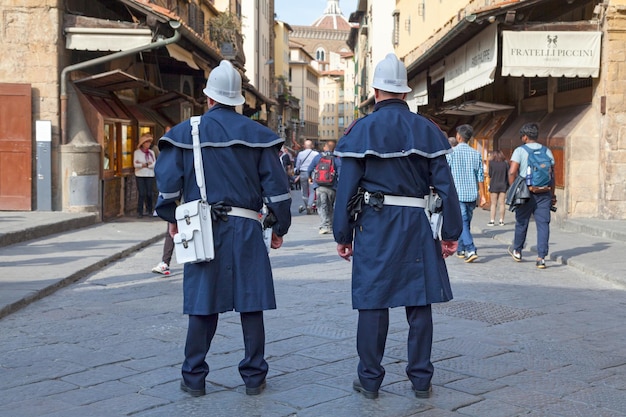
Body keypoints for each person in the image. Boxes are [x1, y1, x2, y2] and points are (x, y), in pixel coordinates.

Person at [154, 60, 292, 397]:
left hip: (203, 227)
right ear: (238, 99)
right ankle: (254, 376)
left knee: (203, 303)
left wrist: (171, 217)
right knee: (251, 302)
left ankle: (194, 377)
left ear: (209, 98)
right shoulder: (259, 136)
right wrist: (279, 226)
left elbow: (168, 185)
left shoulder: (186, 132)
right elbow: (277, 190)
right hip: (246, 226)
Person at [333, 53, 463, 400]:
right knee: (419, 303)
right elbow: (446, 187)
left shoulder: (360, 130)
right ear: (405, 92)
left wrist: (342, 235)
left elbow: (345, 190)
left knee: (373, 303)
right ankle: (421, 380)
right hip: (417, 224)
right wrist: (451, 234)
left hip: (375, 226)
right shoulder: (427, 130)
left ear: (376, 90)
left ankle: (370, 379)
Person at [507, 122, 556, 269]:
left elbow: (512, 172)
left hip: (525, 192)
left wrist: (513, 189)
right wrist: (552, 194)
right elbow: (552, 175)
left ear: (525, 137)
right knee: (543, 225)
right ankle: (541, 257)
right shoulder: (547, 151)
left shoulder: (520, 151)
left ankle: (517, 250)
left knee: (522, 222)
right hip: (545, 192)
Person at [446, 124, 486, 263]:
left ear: (459, 136)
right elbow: (480, 176)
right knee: (466, 222)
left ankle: (470, 249)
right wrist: (483, 195)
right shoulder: (476, 154)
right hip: (471, 194)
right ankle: (461, 249)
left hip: (457, 194)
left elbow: (446, 174)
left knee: (463, 223)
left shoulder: (451, 153)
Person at [152, 126, 175, 275]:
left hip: (177, 199)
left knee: (171, 231)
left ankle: (165, 262)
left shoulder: (170, 154)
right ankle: (165, 261)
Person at [307, 140, 341, 234]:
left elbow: (309, 169)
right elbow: (341, 173)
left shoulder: (318, 157)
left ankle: (324, 225)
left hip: (319, 185)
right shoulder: (336, 159)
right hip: (332, 187)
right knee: (330, 206)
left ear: (325, 147)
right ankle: (330, 225)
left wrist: (310, 177)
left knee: (322, 206)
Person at [134, 133, 156, 218]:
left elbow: (154, 164)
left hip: (150, 175)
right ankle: (139, 211)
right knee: (142, 193)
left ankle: (149, 209)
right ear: (143, 144)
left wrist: (144, 165)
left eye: (149, 143)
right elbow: (136, 164)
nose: (148, 144)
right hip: (140, 175)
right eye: (146, 142)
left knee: (149, 193)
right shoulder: (137, 153)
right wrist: (146, 164)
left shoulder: (151, 153)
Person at [294, 140, 319, 214]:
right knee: (312, 191)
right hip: (312, 174)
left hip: (303, 173)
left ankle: (307, 204)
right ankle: (309, 205)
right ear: (312, 146)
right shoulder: (316, 154)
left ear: (304, 146)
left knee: (304, 191)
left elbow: (297, 165)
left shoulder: (300, 154)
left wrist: (297, 171)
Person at [487, 149, 509, 226]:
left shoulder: (491, 163)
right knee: (502, 203)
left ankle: (492, 220)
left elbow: (490, 174)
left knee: (493, 203)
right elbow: (508, 174)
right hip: (503, 184)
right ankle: (501, 221)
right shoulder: (505, 163)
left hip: (494, 184)